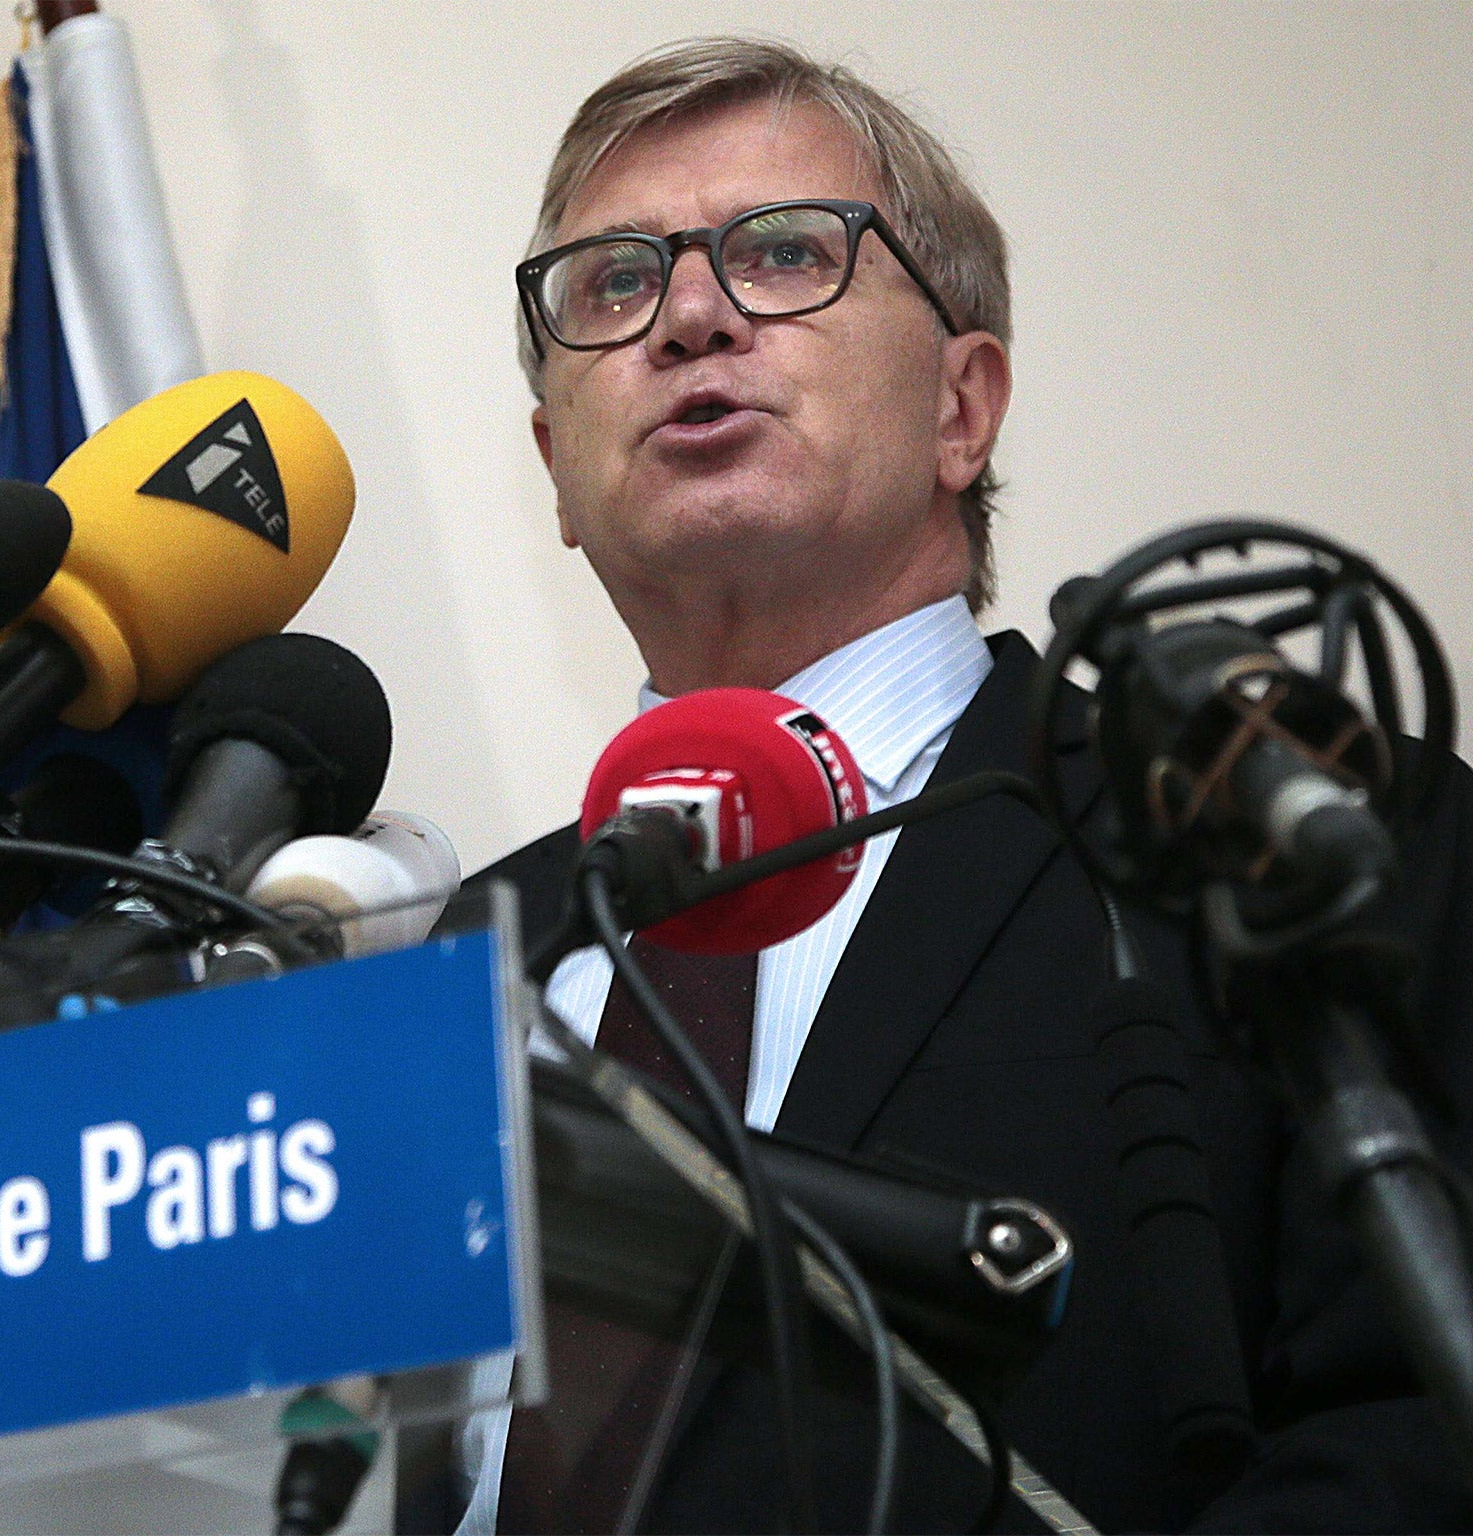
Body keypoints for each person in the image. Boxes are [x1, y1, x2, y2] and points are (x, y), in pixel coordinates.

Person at [440, 35, 1473, 1534]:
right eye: (611, 285)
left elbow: (1417, 1437)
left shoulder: (1275, 839)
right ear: (555, 466)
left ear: (962, 407)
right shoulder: (451, 956)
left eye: (782, 253)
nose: (688, 316)